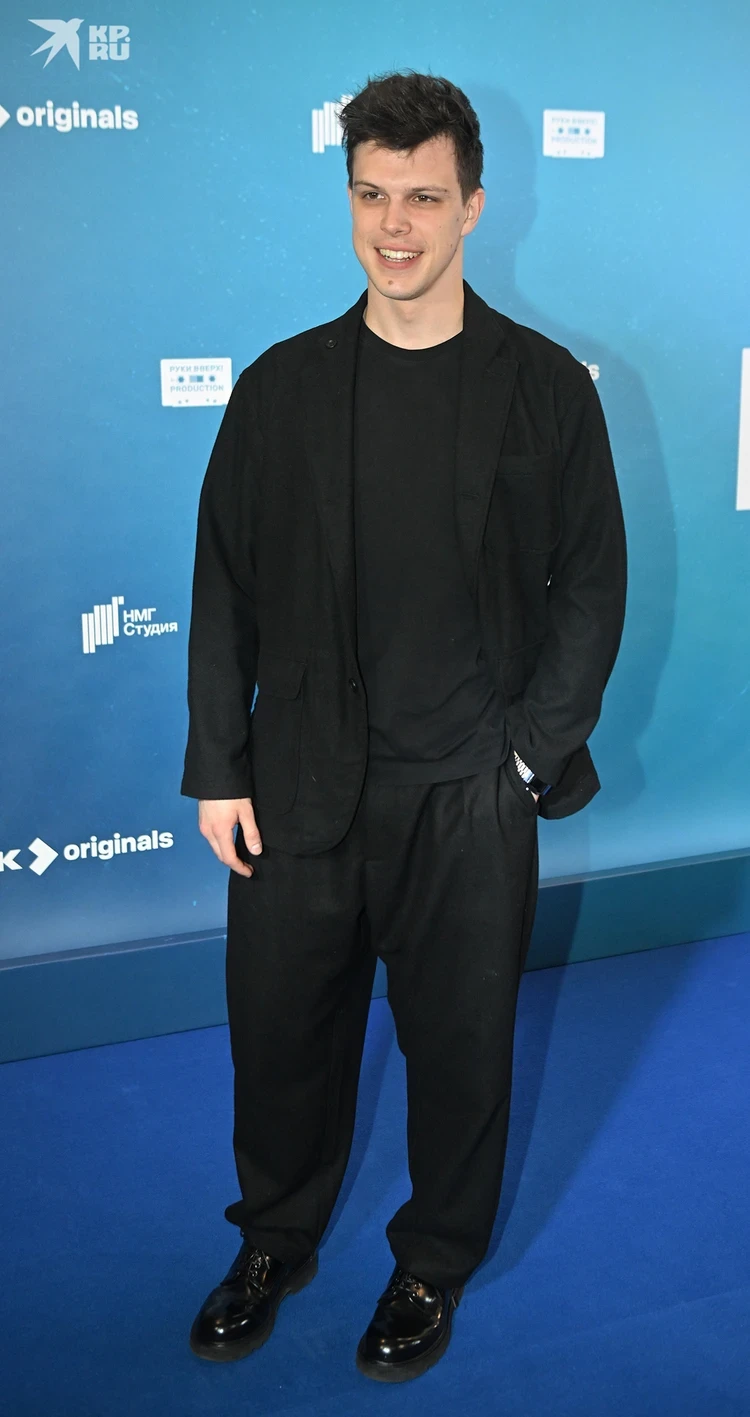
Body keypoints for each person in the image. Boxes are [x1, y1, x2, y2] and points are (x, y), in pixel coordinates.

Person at [180, 69, 626, 1384]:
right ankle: (274, 1240)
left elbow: (592, 584)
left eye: (424, 199)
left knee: (462, 1053)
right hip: (298, 784)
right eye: (372, 195)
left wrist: (528, 755)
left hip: (469, 791)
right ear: (348, 197)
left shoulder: (545, 387)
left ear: (473, 207)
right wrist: (218, 767)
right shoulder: (280, 388)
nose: (394, 226)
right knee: (280, 1043)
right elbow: (222, 586)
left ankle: (432, 1263)